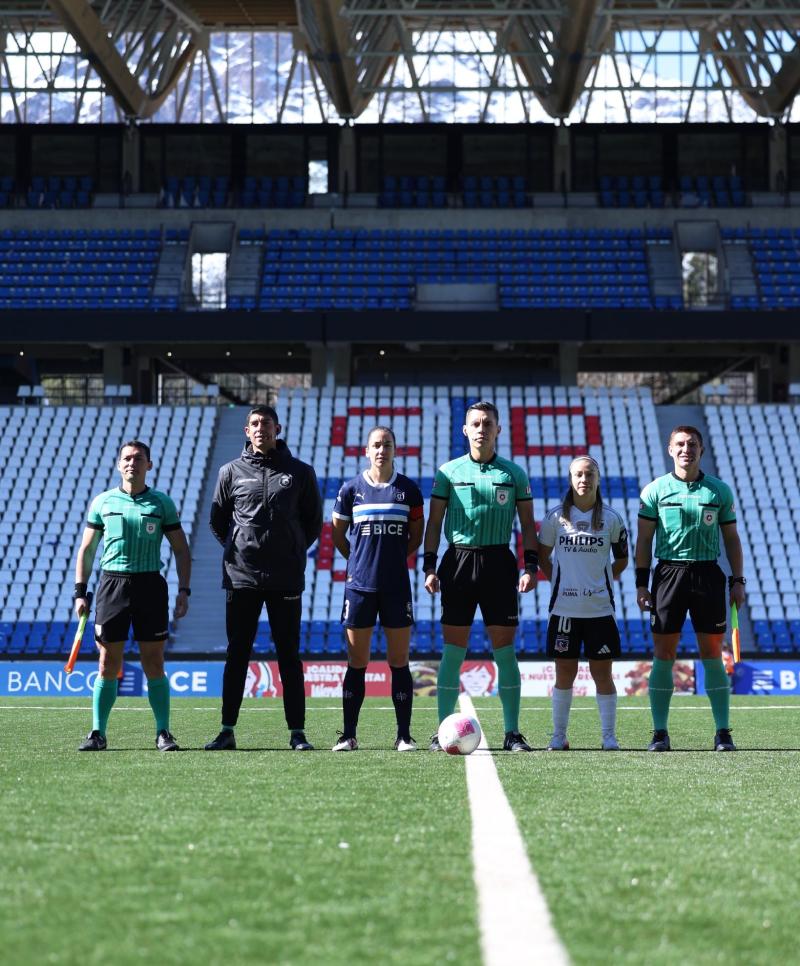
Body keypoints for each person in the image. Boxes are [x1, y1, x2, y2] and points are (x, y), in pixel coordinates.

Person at [205, 405, 322, 751]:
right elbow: (217, 521)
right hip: (241, 577)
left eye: (266, 423)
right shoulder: (230, 472)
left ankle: (297, 733)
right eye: (254, 424)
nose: (260, 429)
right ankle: (227, 730)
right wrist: (240, 548)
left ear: (277, 428)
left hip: (286, 577)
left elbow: (313, 522)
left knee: (289, 655)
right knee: (236, 653)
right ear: (246, 430)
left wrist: (292, 547)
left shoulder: (300, 472)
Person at [423, 401, 538, 751]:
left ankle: (512, 733)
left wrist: (530, 566)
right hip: (457, 563)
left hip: (499, 564)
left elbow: (528, 526)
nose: (482, 429)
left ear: (498, 429)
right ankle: (441, 730)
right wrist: (429, 565)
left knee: (505, 652)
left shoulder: (514, 474)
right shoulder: (448, 472)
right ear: (465, 430)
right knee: (452, 652)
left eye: (488, 423)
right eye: (475, 423)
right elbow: (434, 522)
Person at [74, 440, 191, 751]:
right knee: (107, 663)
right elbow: (87, 551)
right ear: (118, 464)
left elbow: (181, 549)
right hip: (112, 585)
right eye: (126, 458)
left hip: (150, 586)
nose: (132, 463)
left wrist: (184, 590)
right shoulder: (102, 502)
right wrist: (79, 592)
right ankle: (97, 732)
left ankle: (163, 732)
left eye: (138, 458)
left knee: (154, 661)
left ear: (148, 465)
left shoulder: (161, 503)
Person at [636, 425, 745, 752]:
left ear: (702, 450)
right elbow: (644, 540)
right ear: (670, 449)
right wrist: (642, 584)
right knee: (663, 655)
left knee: (712, 654)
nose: (687, 449)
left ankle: (723, 732)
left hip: (708, 576)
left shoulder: (719, 491)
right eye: (680, 444)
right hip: (668, 575)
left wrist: (737, 580)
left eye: (693, 444)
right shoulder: (654, 491)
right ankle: (659, 733)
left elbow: (732, 539)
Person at [331, 426, 424, 751]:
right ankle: (348, 734)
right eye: (376, 445)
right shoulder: (350, 489)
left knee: (398, 660)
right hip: (359, 587)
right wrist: (358, 560)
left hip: (396, 586)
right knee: (357, 660)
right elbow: (339, 535)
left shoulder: (408, 491)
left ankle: (403, 735)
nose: (381, 449)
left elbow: (416, 536)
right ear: (366, 451)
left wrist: (394, 559)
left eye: (387, 444)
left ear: (395, 450)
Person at [537, 456, 629, 751]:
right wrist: (561, 584)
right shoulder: (554, 518)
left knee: (603, 674)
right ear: (570, 479)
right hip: (564, 611)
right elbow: (542, 558)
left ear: (597, 478)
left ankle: (608, 737)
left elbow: (623, 558)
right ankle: (558, 735)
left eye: (589, 474)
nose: (583, 480)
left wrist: (601, 582)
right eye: (578, 474)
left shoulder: (612, 519)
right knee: (564, 674)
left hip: (600, 611)